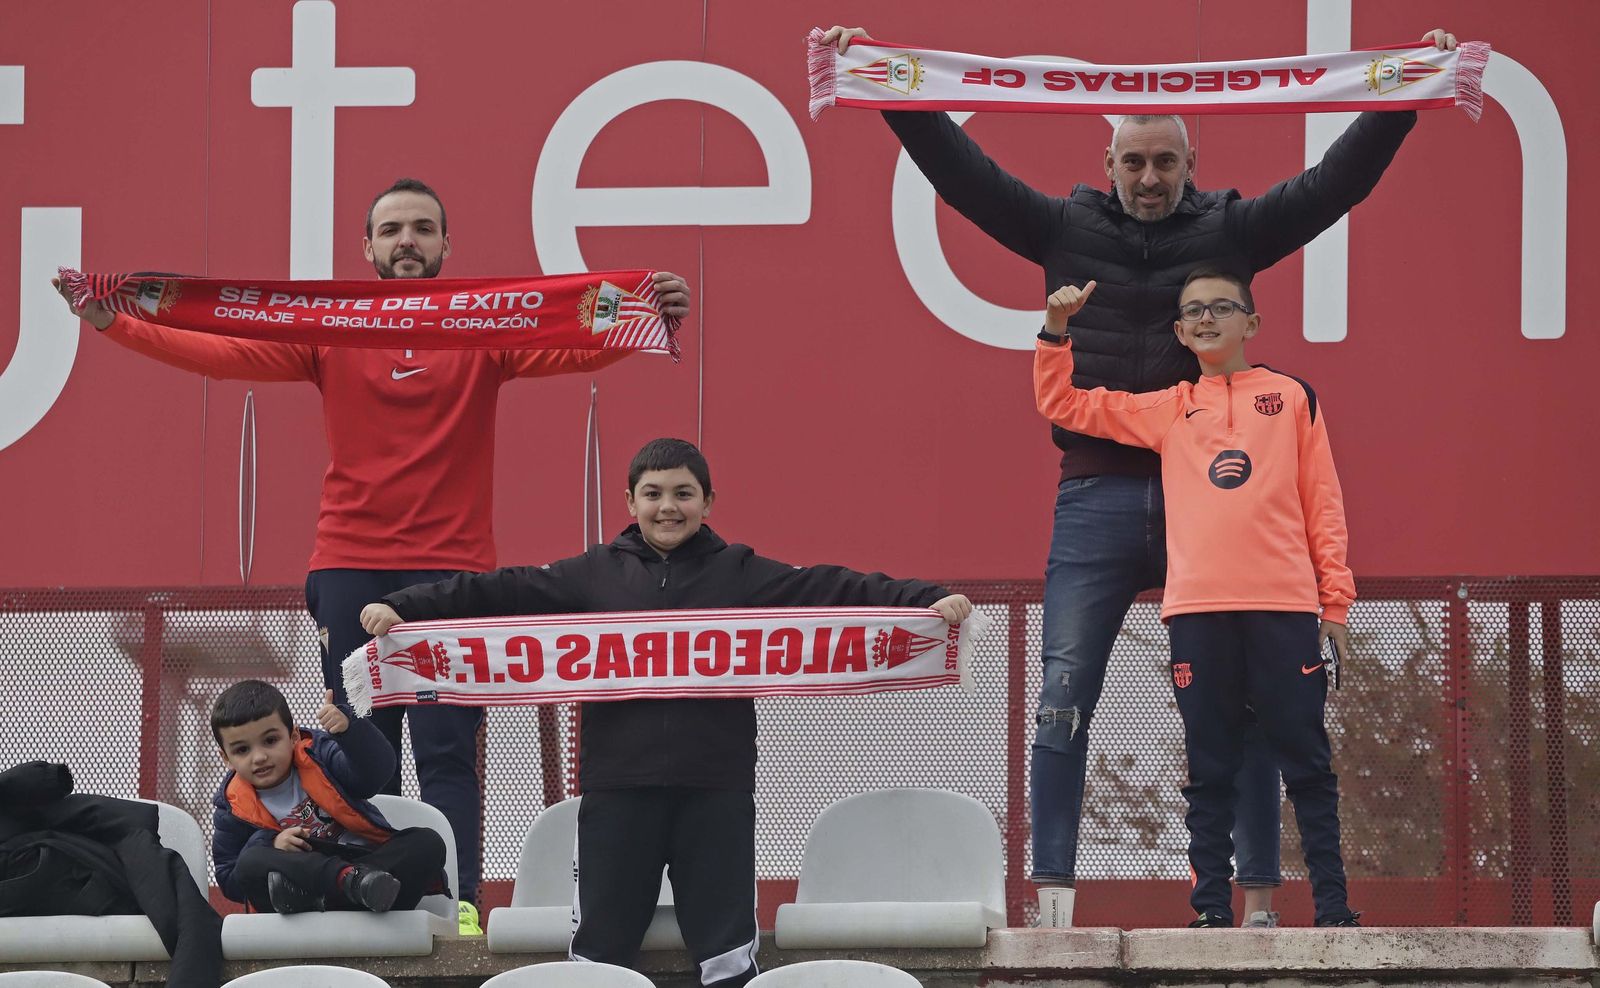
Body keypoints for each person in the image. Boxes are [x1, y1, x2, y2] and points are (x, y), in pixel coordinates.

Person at [820, 24, 1455, 926]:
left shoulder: (1232, 229)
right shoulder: (1062, 227)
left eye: (1165, 162)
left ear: (1192, 161)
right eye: (1133, 163)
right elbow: (958, 174)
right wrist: (890, 86)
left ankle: (1260, 903)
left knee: (1252, 701)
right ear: (1106, 162)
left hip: (1214, 494)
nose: (1149, 179)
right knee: (1065, 688)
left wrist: (1403, 95)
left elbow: (1334, 186)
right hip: (1099, 484)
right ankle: (1052, 901)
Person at [52, 178, 692, 933]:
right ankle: (365, 897)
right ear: (369, 249)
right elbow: (223, 352)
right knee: (361, 751)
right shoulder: (334, 329)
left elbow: (574, 343)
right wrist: (110, 322)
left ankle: (452, 903)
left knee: (449, 751)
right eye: (392, 230)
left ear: (447, 247)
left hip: (453, 577)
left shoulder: (481, 328)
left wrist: (648, 316)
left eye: (423, 228)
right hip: (351, 565)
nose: (408, 241)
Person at [359, 437, 974, 987]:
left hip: (716, 791)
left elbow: (829, 587)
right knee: (600, 956)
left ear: (709, 501)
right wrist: (401, 607)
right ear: (630, 500)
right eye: (653, 494)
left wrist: (922, 600)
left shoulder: (740, 572)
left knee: (729, 958)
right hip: (617, 793)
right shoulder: (594, 573)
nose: (668, 507)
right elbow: (497, 591)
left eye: (684, 493)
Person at [1033, 269, 1357, 927]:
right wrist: (1055, 331)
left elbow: (1322, 503)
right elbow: (1065, 404)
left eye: (1221, 307)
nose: (1206, 319)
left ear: (1252, 322)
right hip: (1197, 611)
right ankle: (1210, 911)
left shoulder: (1292, 397)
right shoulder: (1172, 406)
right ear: (1180, 332)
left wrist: (1336, 605)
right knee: (1210, 767)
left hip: (1284, 607)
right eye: (1193, 313)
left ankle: (1333, 912)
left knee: (1307, 765)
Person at [210, 680, 448, 917]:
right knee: (251, 859)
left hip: (366, 870)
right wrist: (271, 845)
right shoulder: (230, 808)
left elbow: (375, 777)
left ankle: (355, 887)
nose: (259, 757)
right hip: (302, 883)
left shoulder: (319, 755)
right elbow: (231, 880)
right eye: (242, 750)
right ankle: (349, 885)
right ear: (226, 758)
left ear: (293, 736)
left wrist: (350, 730)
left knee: (427, 842)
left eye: (270, 741)